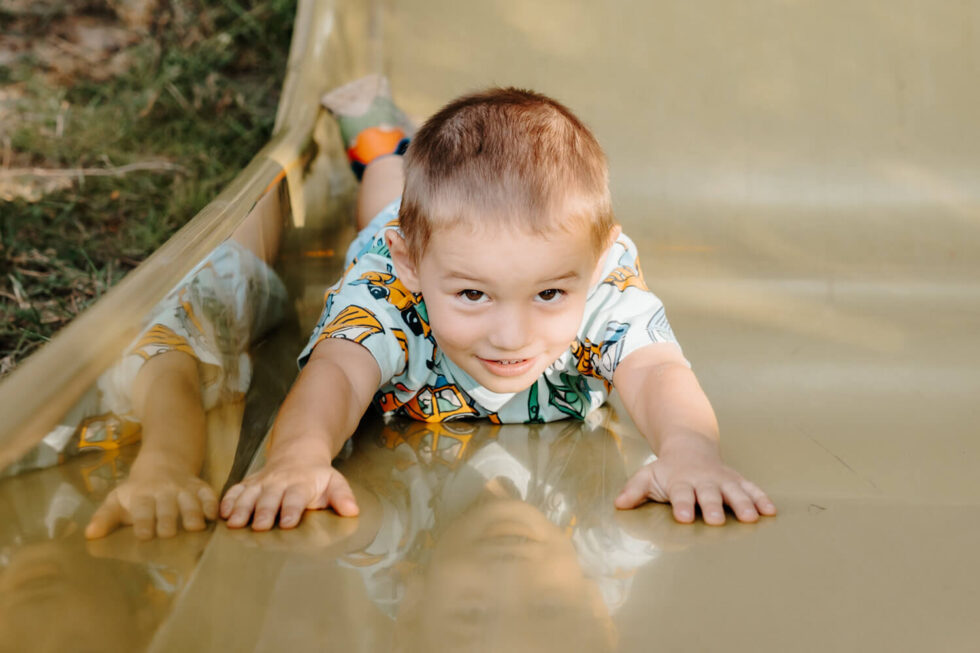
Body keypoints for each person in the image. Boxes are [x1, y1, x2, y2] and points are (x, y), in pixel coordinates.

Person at [220, 76, 777, 531]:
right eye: (472, 294)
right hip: (400, 237)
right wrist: (298, 457)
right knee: (386, 196)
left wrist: (689, 452)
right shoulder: (390, 291)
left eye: (549, 294)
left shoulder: (604, 291)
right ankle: (377, 134)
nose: (512, 335)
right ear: (413, 265)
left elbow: (657, 371)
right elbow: (338, 372)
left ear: (599, 265)